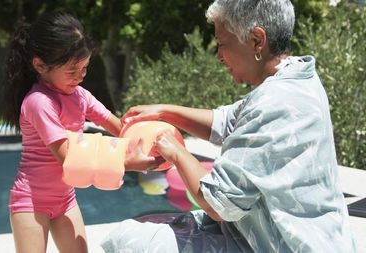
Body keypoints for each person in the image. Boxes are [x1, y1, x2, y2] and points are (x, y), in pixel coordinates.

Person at [101, 0, 358, 252]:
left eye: (223, 44)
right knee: (153, 225)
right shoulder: (296, 78)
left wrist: (177, 153)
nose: (219, 57)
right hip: (303, 237)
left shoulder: (275, 101)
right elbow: (227, 121)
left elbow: (219, 204)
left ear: (257, 40)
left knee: (131, 240)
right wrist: (166, 111)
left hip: (286, 245)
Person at [0, 11, 158, 253]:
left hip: (65, 199)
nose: (81, 77)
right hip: (31, 202)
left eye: (85, 68)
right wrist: (129, 163)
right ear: (40, 65)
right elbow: (69, 158)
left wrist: (150, 141)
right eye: (72, 70)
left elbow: (120, 128)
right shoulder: (39, 101)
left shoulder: (80, 96)